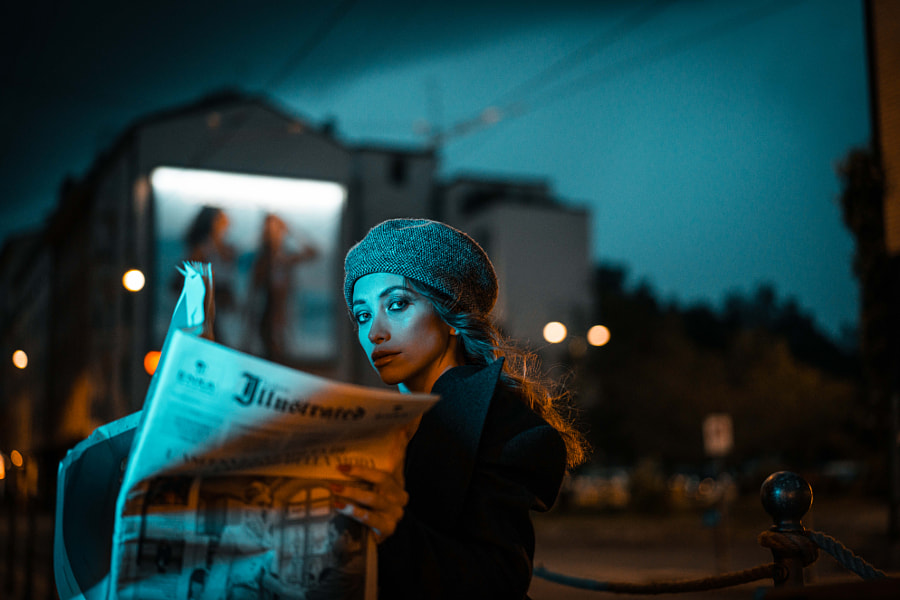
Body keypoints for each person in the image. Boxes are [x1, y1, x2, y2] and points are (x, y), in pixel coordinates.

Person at [335, 218, 588, 598]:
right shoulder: (377, 427)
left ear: (450, 316)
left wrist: (393, 529)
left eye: (398, 304)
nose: (375, 333)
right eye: (364, 314)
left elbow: (499, 581)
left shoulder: (504, 427)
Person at [248, 213, 318, 362]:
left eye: (277, 229)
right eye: (270, 229)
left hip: (284, 317)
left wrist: (292, 230)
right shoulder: (263, 260)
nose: (274, 234)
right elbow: (253, 295)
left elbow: (313, 252)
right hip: (268, 318)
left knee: (281, 354)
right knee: (273, 354)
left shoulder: (286, 257)